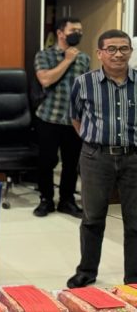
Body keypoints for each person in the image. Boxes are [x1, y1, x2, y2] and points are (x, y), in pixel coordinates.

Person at [67, 29, 137, 288]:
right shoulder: (83, 83)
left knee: (135, 222)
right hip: (96, 157)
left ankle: (133, 279)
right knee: (92, 218)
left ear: (130, 51)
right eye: (111, 49)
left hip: (134, 158)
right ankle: (86, 272)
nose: (118, 54)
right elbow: (75, 118)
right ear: (100, 53)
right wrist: (95, 140)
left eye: (124, 48)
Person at [33, 17, 90, 217]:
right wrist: (67, 60)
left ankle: (67, 200)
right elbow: (45, 80)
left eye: (80, 30)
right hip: (49, 117)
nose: (78, 34)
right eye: (73, 30)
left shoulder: (84, 58)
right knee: (46, 161)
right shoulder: (44, 55)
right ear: (60, 33)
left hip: (74, 120)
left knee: (71, 163)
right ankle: (46, 199)